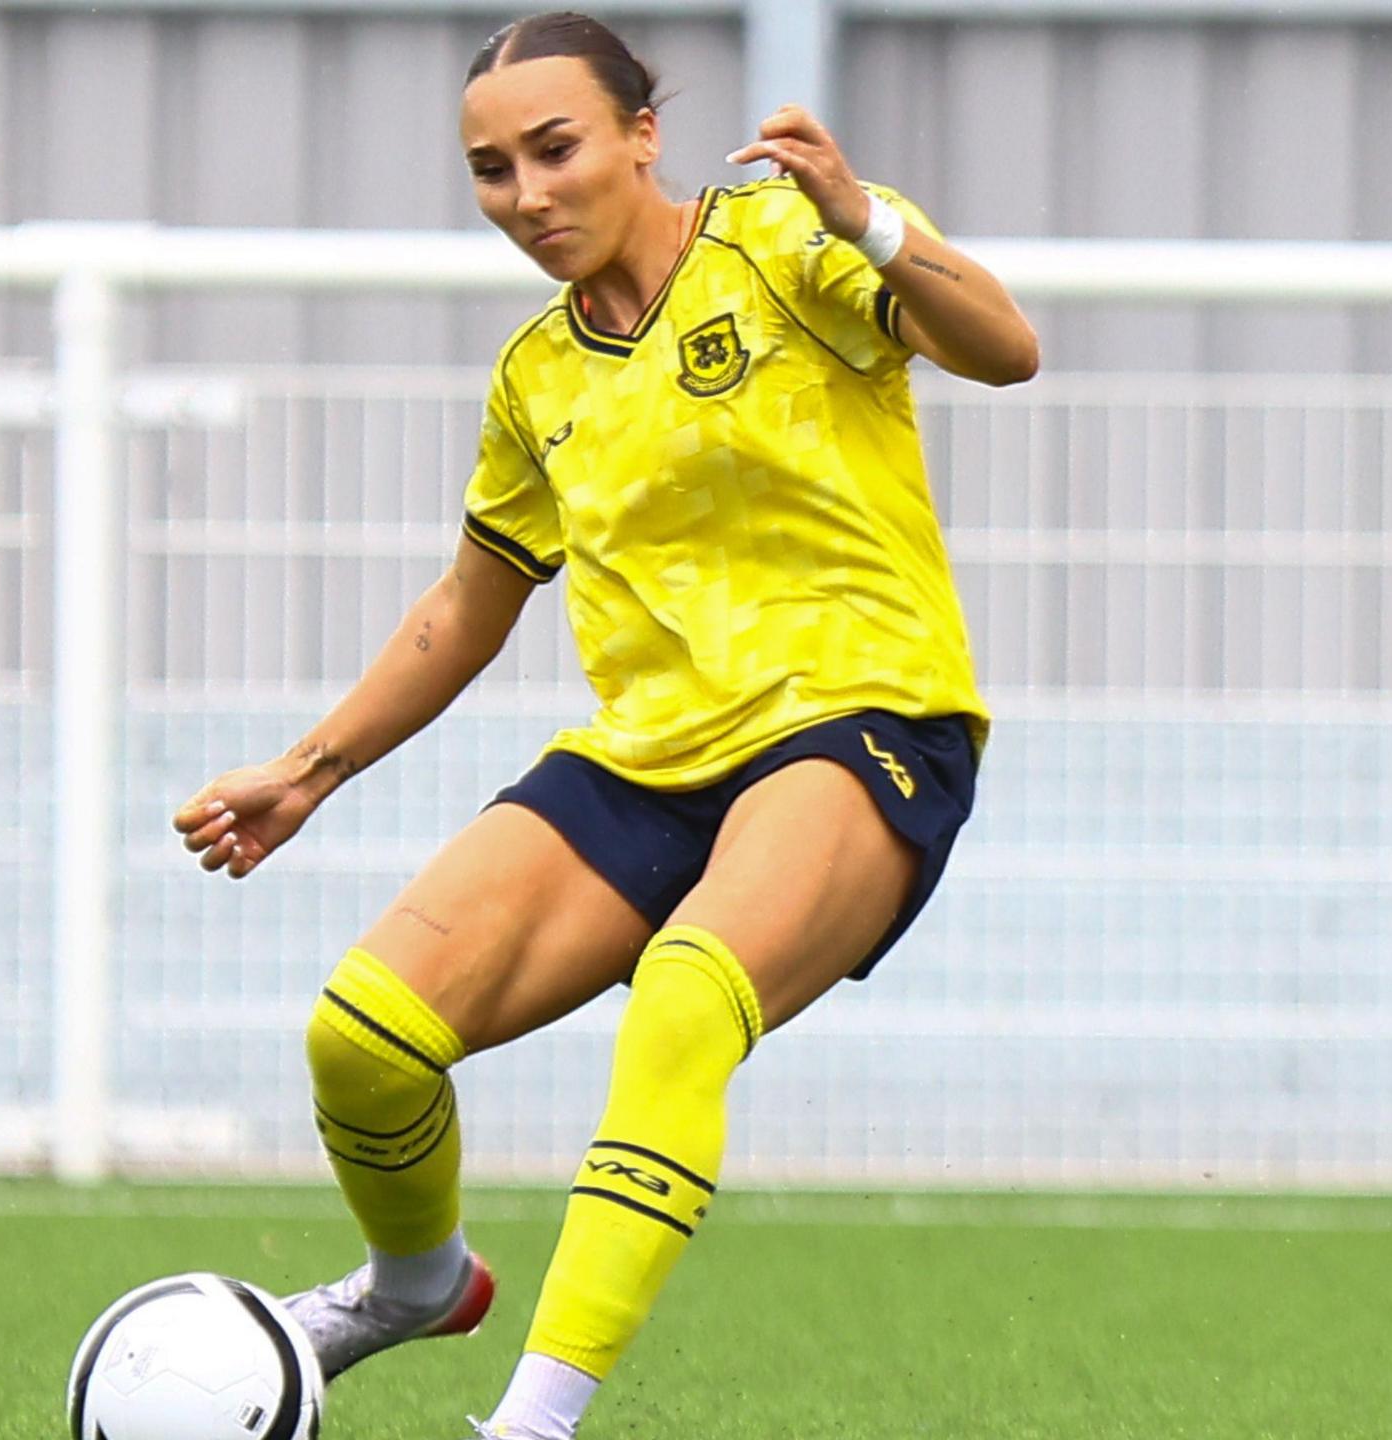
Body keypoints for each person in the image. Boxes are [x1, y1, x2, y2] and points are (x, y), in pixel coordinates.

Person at [173, 11, 1038, 1437]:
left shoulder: (783, 238)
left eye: (557, 148)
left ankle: (531, 1425)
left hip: (863, 722)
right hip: (650, 759)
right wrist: (306, 771)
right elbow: (471, 600)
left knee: (689, 997)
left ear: (644, 132)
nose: (528, 195)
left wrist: (870, 221)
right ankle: (413, 1283)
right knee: (363, 1039)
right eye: (492, 170)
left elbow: (1005, 349)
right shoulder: (536, 376)